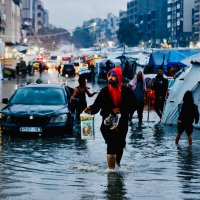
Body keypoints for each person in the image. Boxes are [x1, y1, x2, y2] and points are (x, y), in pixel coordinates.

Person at [84, 66, 136, 170]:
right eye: (109, 75)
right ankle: (111, 172)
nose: (110, 78)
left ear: (118, 77)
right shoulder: (104, 91)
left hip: (122, 123)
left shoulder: (127, 91)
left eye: (113, 76)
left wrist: (120, 110)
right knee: (111, 145)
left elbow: (133, 105)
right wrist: (90, 110)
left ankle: (117, 165)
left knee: (120, 146)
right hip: (107, 124)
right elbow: (96, 105)